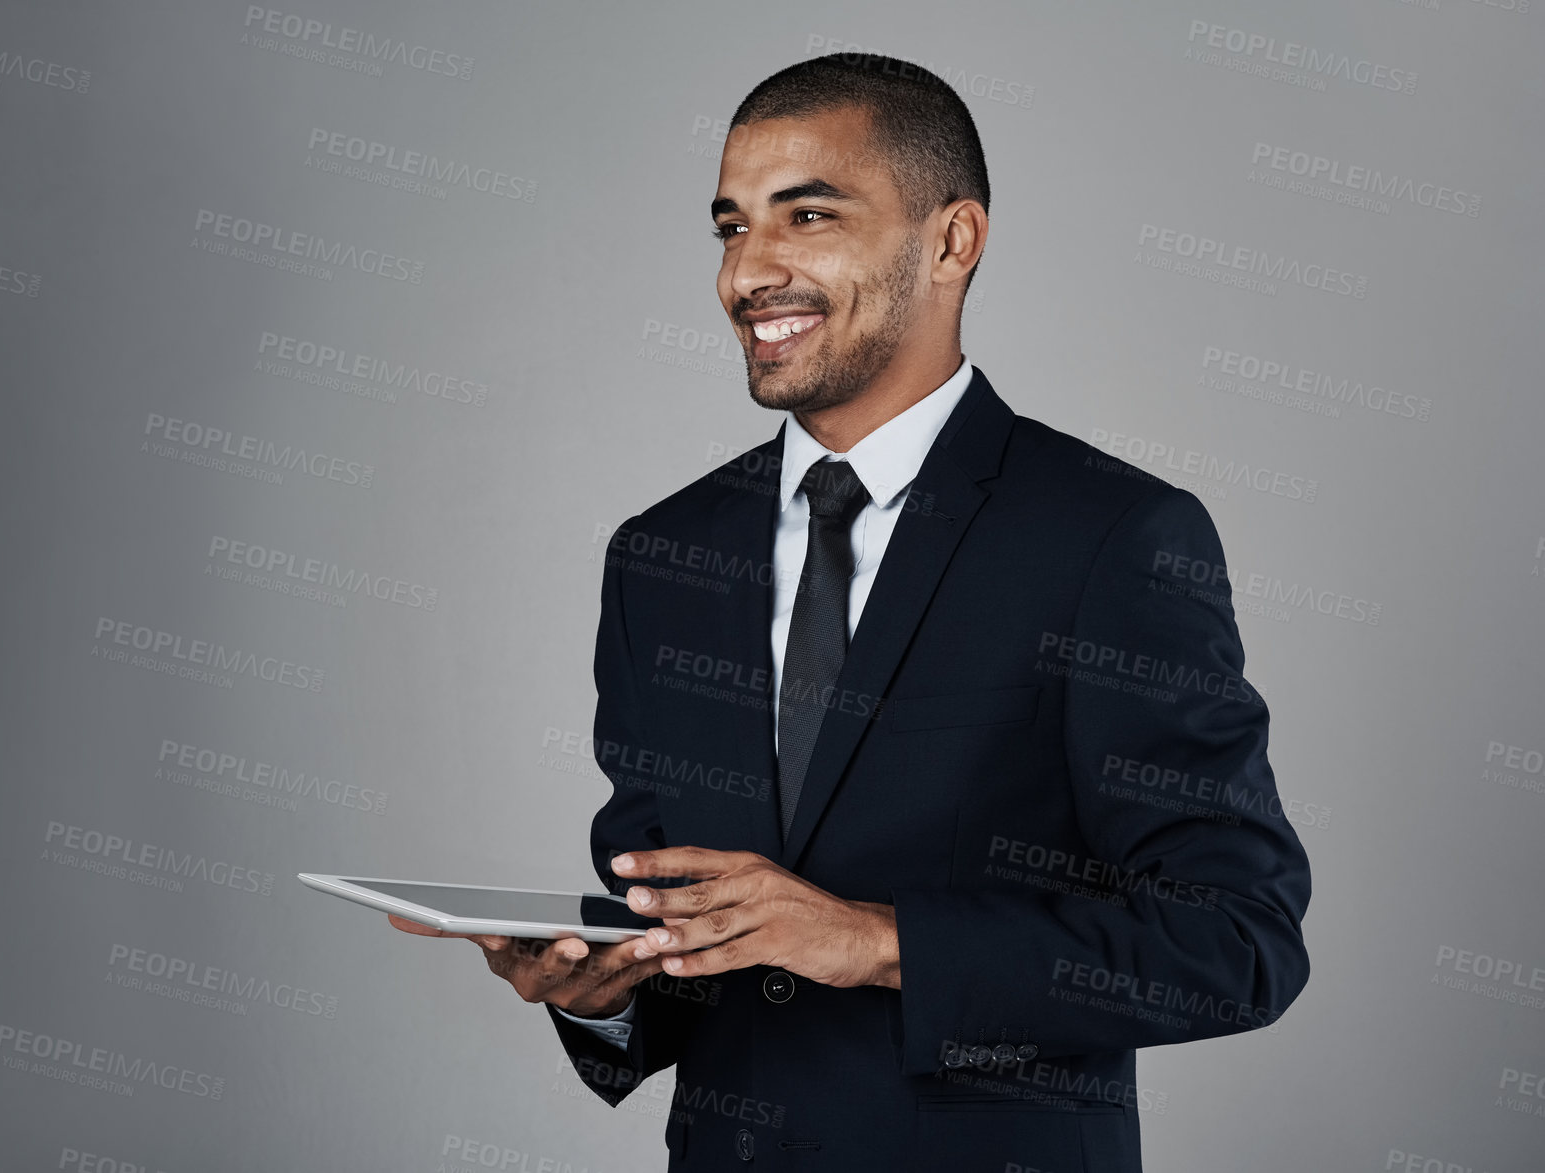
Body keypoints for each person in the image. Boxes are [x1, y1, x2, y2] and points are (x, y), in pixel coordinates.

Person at [391, 52, 1312, 1170]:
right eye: (730, 227)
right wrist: (597, 996)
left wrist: (879, 943)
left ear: (951, 240)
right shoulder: (663, 556)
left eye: (808, 215)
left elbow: (1235, 941)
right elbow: (677, 936)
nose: (749, 272)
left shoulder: (1108, 538)